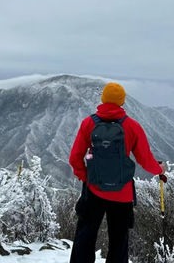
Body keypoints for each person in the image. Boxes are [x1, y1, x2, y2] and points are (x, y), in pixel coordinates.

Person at [68, 82, 167, 263]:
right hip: (122, 194)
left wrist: (86, 177)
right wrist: (160, 169)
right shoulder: (132, 126)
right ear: (122, 102)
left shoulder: (89, 123)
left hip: (93, 190)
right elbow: (145, 160)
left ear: (103, 99)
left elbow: (75, 157)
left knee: (85, 235)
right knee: (119, 240)